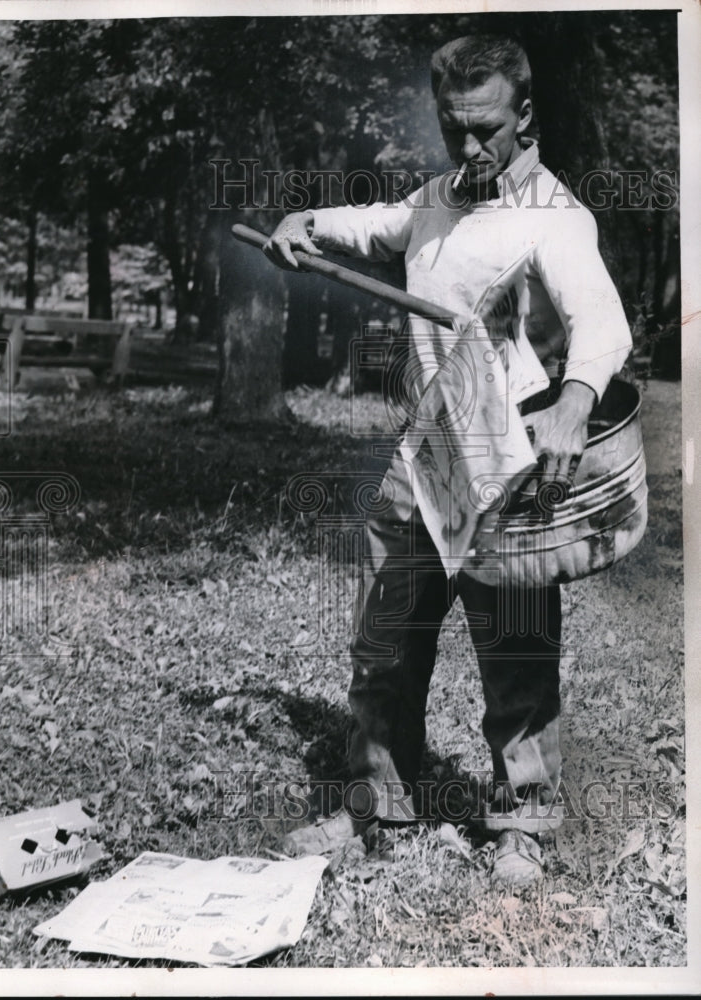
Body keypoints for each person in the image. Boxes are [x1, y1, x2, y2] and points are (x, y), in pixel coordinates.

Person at [264, 34, 632, 884]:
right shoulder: (436, 198)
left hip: (511, 470)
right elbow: (377, 226)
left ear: (524, 116)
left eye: (487, 130)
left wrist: (575, 404)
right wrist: (305, 222)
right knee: (386, 638)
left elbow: (602, 322)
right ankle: (375, 804)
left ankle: (524, 825)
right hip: (425, 456)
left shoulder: (554, 214)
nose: (469, 148)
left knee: (516, 651)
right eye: (452, 128)